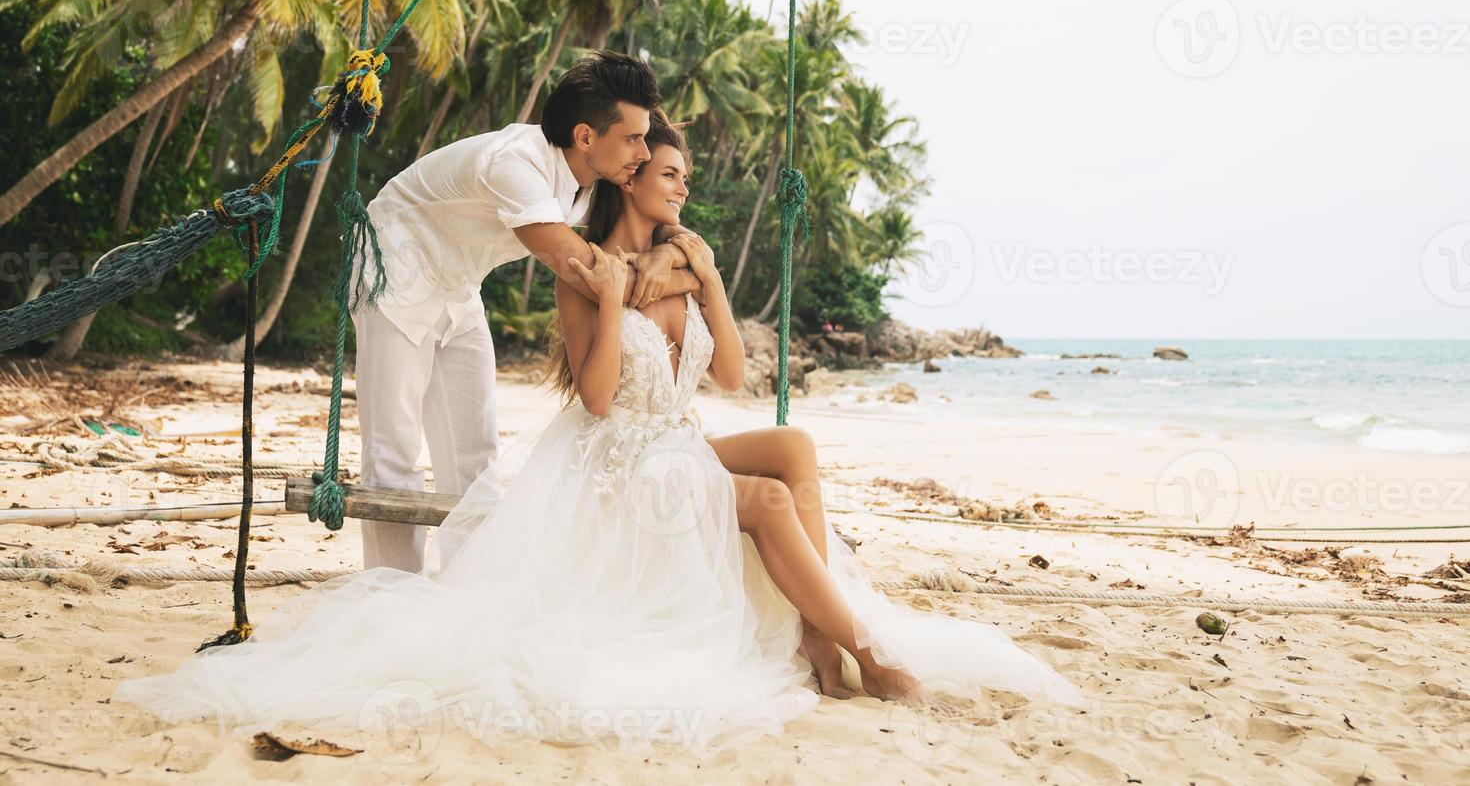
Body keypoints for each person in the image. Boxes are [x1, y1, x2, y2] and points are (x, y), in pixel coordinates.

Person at [115, 120, 1082, 756]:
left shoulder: (682, 258)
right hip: (618, 464)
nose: (681, 190)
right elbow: (605, 400)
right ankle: (864, 651)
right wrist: (622, 300)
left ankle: (818, 648)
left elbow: (735, 378)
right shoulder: (585, 271)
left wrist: (706, 279)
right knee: (770, 498)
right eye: (668, 174)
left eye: (684, 179)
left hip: (675, 446)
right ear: (629, 178)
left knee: (789, 447)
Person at [348, 50, 701, 573]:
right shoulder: (515, 164)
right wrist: (699, 277)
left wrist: (674, 255)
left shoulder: (591, 178)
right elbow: (595, 273)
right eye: (632, 138)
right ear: (586, 137)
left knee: (474, 450)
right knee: (393, 450)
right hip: (393, 268)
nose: (643, 152)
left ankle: (469, 586)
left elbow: (661, 235)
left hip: (458, 285)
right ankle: (390, 592)